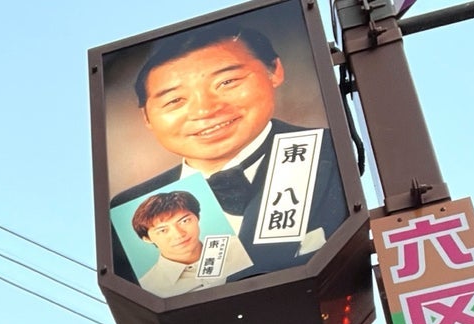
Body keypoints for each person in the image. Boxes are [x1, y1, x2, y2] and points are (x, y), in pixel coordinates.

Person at [110, 23, 349, 284]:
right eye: (175, 100)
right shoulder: (125, 209)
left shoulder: (331, 149)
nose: (205, 111)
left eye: (227, 82)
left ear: (274, 70)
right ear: (146, 117)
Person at [131, 190, 252, 297]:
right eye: (163, 230)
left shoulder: (239, 245)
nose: (179, 234)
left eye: (184, 221)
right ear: (147, 238)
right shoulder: (147, 289)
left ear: (197, 217)